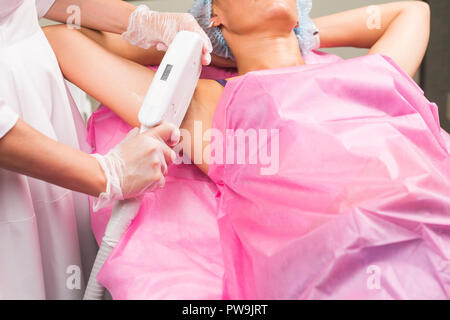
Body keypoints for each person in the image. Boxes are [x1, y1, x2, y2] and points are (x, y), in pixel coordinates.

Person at [43, 0, 430, 173]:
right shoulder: (210, 105)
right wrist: (192, 43)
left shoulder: (367, 76)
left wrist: (302, 36)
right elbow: (62, 40)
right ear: (215, 16)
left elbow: (413, 10)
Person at [0, 0, 212, 299]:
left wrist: (143, 22)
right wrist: (105, 174)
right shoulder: (67, 45)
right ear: (219, 20)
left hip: (42, 114)